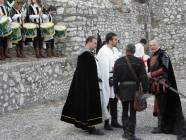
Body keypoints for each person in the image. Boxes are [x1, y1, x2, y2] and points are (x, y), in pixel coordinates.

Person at [61, 36, 104, 135]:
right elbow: (88, 73)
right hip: (88, 85)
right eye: (94, 43)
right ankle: (91, 127)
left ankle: (85, 124)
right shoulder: (86, 55)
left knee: (84, 104)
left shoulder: (84, 54)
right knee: (89, 104)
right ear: (88, 42)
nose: (96, 45)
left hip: (85, 84)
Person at [147, 39, 186, 139]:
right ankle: (162, 126)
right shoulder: (151, 56)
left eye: (154, 45)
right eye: (150, 45)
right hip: (156, 85)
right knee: (159, 105)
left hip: (164, 85)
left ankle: (163, 127)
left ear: (158, 45)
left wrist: (151, 74)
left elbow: (164, 68)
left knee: (162, 105)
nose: (152, 47)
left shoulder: (164, 55)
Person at [113, 43, 148, 140]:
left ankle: (125, 133)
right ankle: (131, 134)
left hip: (123, 89)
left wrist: (116, 91)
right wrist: (145, 90)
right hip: (134, 89)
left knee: (124, 110)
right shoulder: (139, 62)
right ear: (134, 51)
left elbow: (115, 78)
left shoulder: (118, 62)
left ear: (125, 50)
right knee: (133, 111)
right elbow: (143, 77)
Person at [97, 32, 122, 130]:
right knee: (107, 100)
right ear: (110, 40)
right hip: (107, 79)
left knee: (114, 100)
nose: (117, 41)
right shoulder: (103, 51)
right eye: (115, 39)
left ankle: (114, 121)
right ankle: (106, 123)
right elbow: (103, 68)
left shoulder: (115, 49)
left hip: (115, 78)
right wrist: (107, 81)